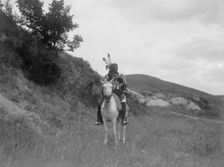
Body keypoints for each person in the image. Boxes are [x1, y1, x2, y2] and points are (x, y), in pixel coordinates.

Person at [94, 54, 128, 126]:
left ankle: (123, 119)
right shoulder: (107, 77)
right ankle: (99, 120)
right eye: (115, 68)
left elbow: (124, 84)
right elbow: (104, 85)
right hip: (109, 93)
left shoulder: (119, 77)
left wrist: (124, 92)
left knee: (123, 104)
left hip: (118, 94)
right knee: (99, 103)